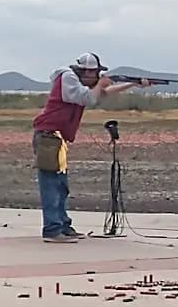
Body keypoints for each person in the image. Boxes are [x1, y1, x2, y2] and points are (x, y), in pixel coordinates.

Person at [31, 53, 147, 243]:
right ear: (84, 71)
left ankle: (62, 225)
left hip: (56, 138)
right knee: (52, 185)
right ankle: (52, 229)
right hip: (48, 136)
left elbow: (102, 93)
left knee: (60, 185)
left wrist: (133, 84)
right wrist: (101, 84)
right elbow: (88, 98)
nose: (95, 76)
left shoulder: (75, 81)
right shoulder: (67, 77)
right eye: (93, 72)